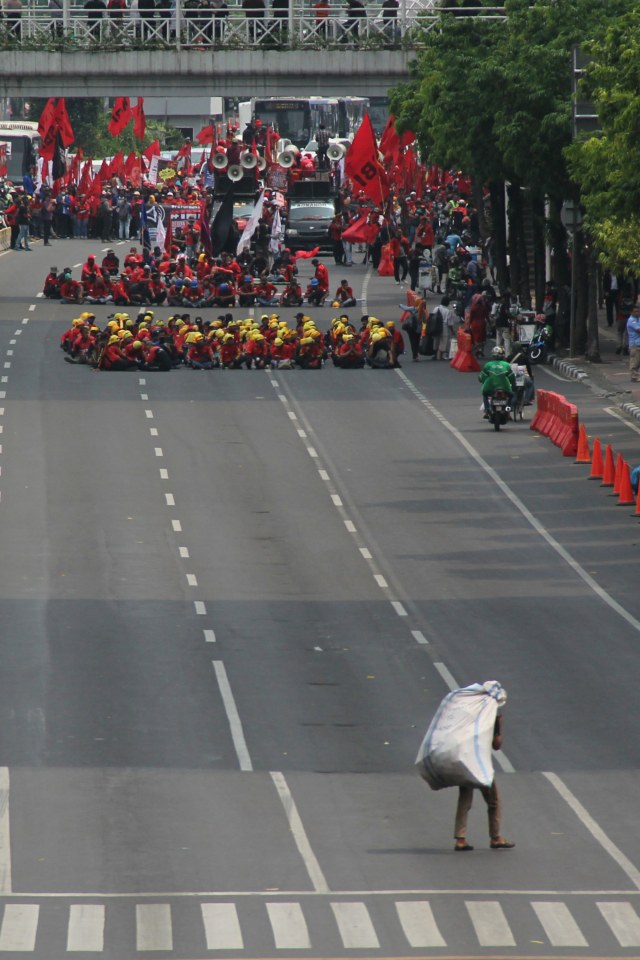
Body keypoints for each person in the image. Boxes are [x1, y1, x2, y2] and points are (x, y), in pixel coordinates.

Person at [454, 711, 514, 851]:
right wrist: (499, 726)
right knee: (493, 800)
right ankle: (496, 837)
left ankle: (460, 839)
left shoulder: (465, 716)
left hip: (465, 763)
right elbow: (496, 745)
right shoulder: (489, 717)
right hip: (481, 766)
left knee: (464, 800)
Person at [479, 345, 516, 417]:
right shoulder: (507, 365)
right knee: (512, 395)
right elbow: (512, 378)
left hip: (491, 388)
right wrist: (513, 384)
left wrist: (482, 381)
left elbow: (482, 377)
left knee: (485, 394)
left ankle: (487, 409)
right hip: (505, 388)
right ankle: (508, 409)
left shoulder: (488, 365)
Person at [626, 303, 640, 382]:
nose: (637, 313)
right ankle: (634, 376)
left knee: (638, 361)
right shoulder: (632, 320)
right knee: (635, 361)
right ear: (631, 312)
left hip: (639, 343)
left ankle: (636, 375)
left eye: (638, 311)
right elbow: (638, 330)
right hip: (634, 344)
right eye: (635, 311)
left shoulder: (638, 318)